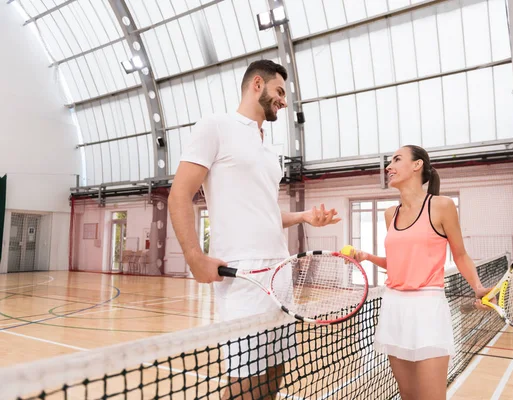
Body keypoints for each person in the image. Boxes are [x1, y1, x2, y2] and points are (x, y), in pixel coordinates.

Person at [168, 59, 340, 400]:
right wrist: (193, 255)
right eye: (279, 91)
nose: (284, 101)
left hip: (281, 273)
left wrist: (304, 216)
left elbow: (264, 213)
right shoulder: (215, 126)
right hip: (242, 276)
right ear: (257, 84)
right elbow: (179, 195)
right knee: (245, 382)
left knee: (274, 374)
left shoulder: (268, 151)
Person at [349, 145, 491, 400]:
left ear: (417, 165)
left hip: (427, 309)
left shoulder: (442, 206)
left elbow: (459, 254)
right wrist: (367, 257)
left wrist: (478, 287)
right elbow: (398, 262)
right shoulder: (390, 214)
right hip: (393, 307)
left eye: (396, 159)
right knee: (408, 396)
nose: (388, 167)